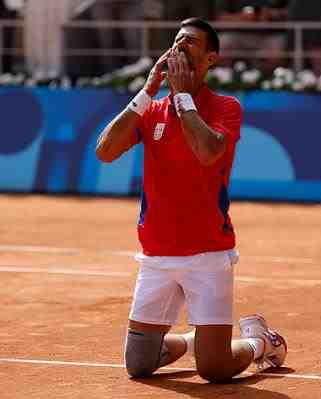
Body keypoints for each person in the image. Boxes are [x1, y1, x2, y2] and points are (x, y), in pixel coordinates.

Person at [95, 17, 286, 382]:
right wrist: (146, 92)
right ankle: (196, 339)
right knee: (139, 364)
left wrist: (182, 98)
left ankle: (260, 342)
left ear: (211, 59)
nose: (180, 47)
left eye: (191, 43)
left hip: (207, 254)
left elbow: (208, 151)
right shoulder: (150, 110)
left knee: (214, 370)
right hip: (157, 254)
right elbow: (104, 152)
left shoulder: (226, 106)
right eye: (177, 40)